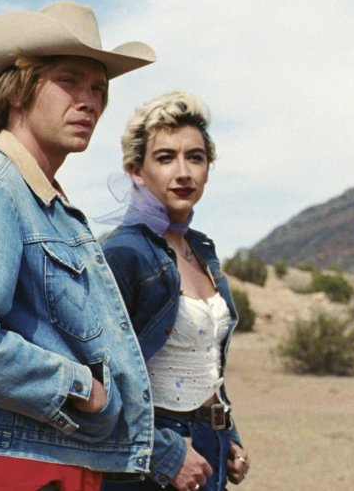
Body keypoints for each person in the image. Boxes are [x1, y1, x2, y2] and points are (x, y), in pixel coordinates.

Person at [0, 1, 157, 491]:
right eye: (70, 81)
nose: (90, 101)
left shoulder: (45, 200)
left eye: (99, 89)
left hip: (58, 462)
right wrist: (80, 389)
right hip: (18, 469)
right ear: (19, 90)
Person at [98, 91, 251, 491]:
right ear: (136, 170)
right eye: (165, 158)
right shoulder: (123, 253)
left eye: (195, 158)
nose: (183, 172)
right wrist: (159, 451)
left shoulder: (201, 249)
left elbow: (202, 357)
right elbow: (101, 376)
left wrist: (226, 431)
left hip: (208, 444)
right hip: (152, 451)